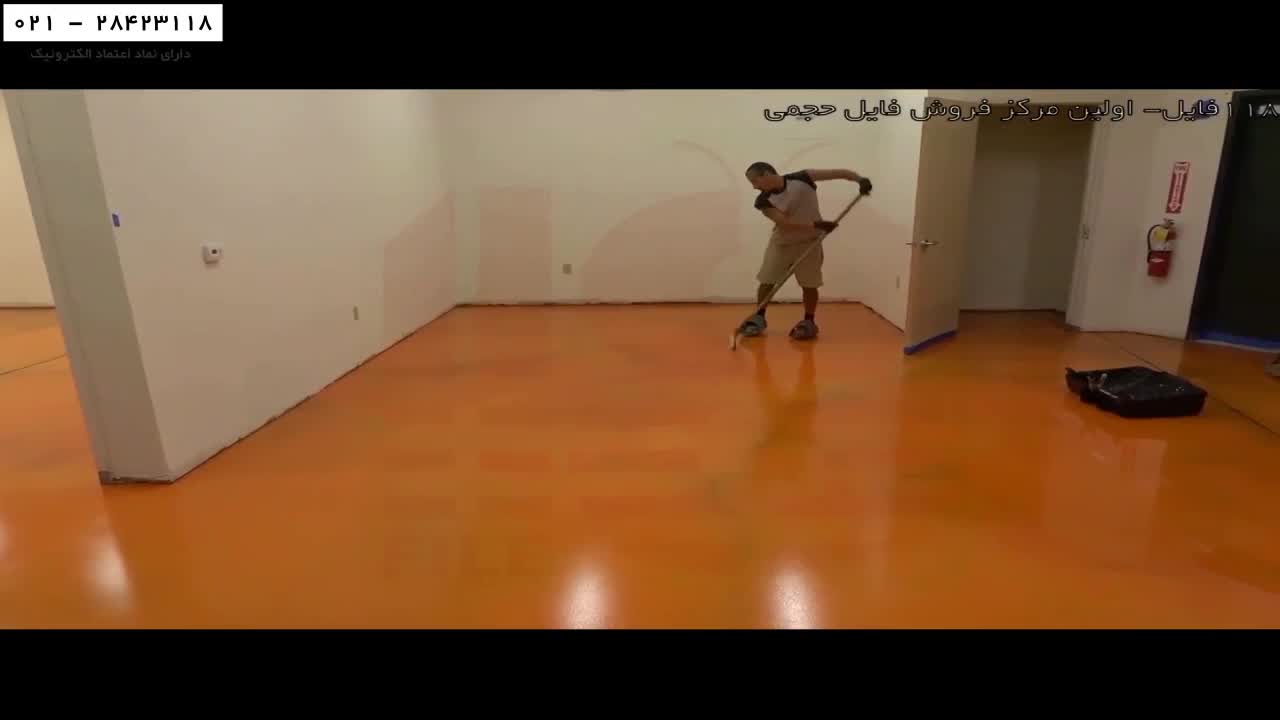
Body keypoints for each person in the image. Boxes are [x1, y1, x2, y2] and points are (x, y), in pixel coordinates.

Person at [741, 161, 871, 340]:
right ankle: (758, 317)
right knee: (767, 280)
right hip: (782, 244)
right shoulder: (763, 201)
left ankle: (809, 321)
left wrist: (860, 180)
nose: (754, 187)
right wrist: (816, 225)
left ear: (766, 174)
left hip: (810, 243)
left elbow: (840, 173)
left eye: (755, 181)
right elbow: (784, 222)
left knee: (810, 284)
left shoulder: (803, 177)